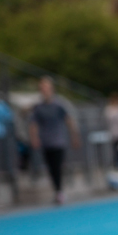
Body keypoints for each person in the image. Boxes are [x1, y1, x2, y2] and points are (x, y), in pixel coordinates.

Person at [30, 77, 81, 205]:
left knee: (58, 167)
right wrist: (34, 138)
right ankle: (57, 190)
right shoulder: (39, 107)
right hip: (46, 142)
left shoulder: (59, 104)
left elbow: (69, 121)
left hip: (58, 141)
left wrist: (74, 136)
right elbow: (33, 125)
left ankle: (60, 191)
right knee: (50, 168)